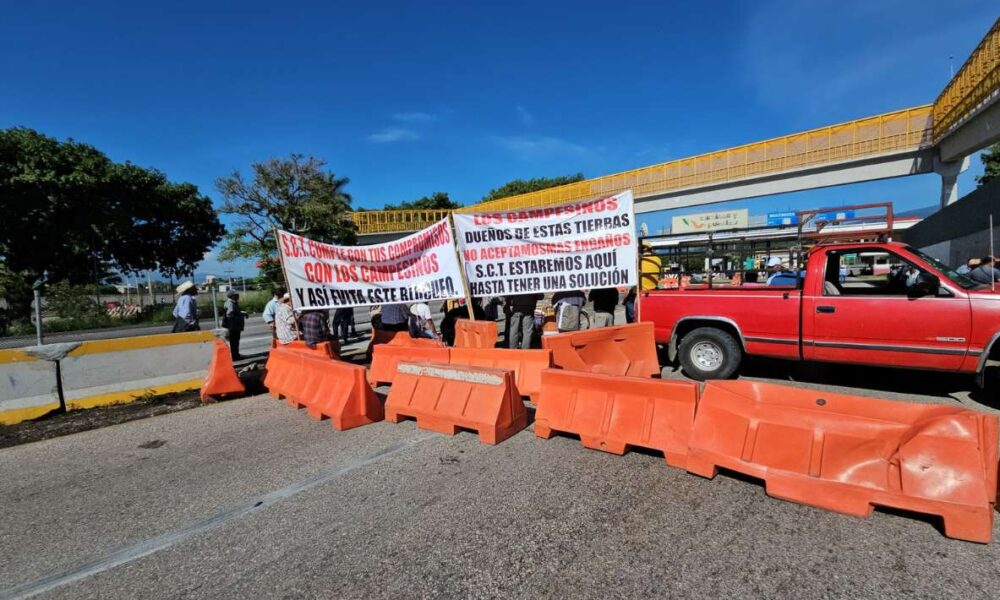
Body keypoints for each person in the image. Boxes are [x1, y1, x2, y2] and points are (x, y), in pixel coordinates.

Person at [624, 243, 662, 323]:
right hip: (652, 289)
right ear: (650, 250)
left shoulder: (638, 260)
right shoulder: (658, 259)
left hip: (639, 291)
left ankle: (633, 320)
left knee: (628, 301)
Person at [223, 290, 247, 361]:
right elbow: (229, 314)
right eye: (236, 295)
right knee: (234, 342)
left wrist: (241, 314)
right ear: (232, 296)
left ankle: (236, 355)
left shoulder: (231, 303)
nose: (238, 296)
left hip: (234, 326)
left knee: (234, 342)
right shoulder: (230, 303)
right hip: (233, 326)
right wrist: (237, 317)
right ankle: (235, 356)